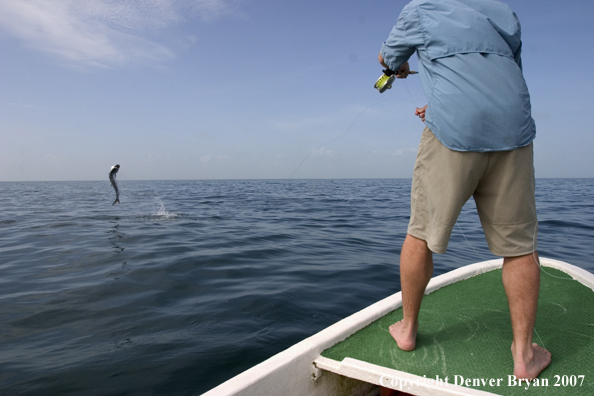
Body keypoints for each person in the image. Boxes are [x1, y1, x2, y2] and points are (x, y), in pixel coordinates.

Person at [378, 0, 551, 381]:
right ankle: (524, 356)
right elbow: (501, 75)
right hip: (514, 132)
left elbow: (387, 59)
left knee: (420, 234)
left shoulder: (421, 8)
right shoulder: (505, 12)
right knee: (521, 246)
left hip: (452, 134)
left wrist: (399, 67)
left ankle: (407, 330)